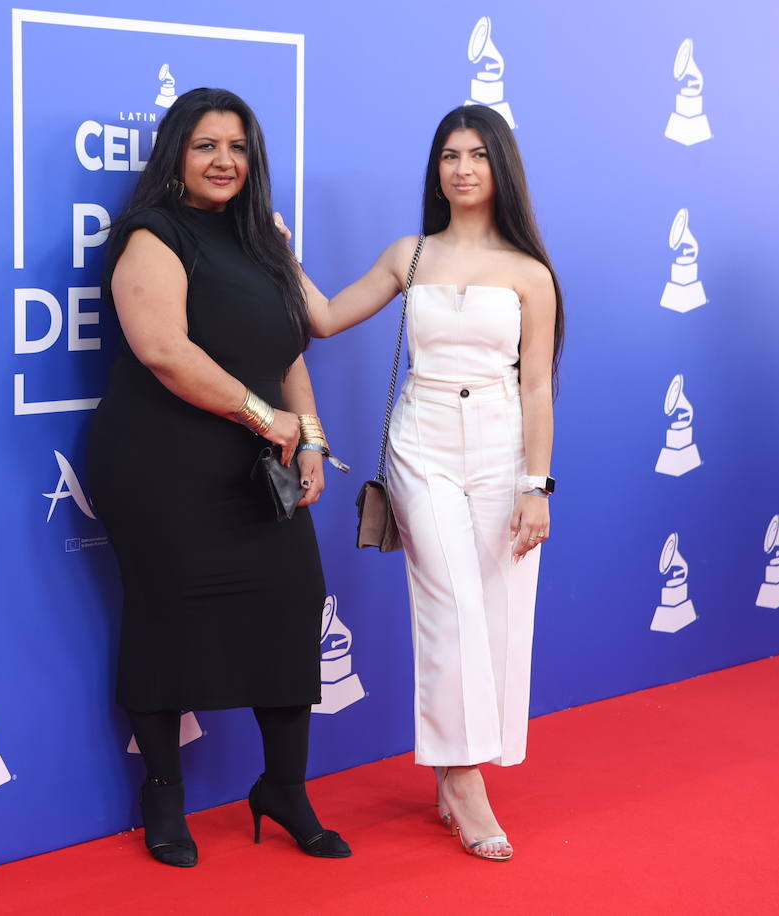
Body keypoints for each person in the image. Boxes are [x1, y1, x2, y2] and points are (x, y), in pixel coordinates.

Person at [283, 105, 563, 862]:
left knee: (499, 607)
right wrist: (276, 253)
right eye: (449, 155)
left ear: (500, 167)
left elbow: (537, 387)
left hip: (504, 447)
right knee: (449, 602)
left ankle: (456, 767)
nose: (462, 168)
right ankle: (464, 778)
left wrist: (537, 484)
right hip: (423, 442)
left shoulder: (531, 273)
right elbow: (328, 316)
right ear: (436, 169)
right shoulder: (410, 253)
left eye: (476, 154)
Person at [87, 87, 351, 868]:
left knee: (293, 601)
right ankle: (163, 795)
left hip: (257, 463)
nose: (224, 161)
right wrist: (263, 420)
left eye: (237, 147)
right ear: (175, 154)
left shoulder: (265, 239)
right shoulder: (152, 235)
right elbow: (164, 350)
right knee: (169, 616)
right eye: (206, 145)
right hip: (159, 462)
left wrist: (308, 435)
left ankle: (284, 789)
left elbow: (290, 347)